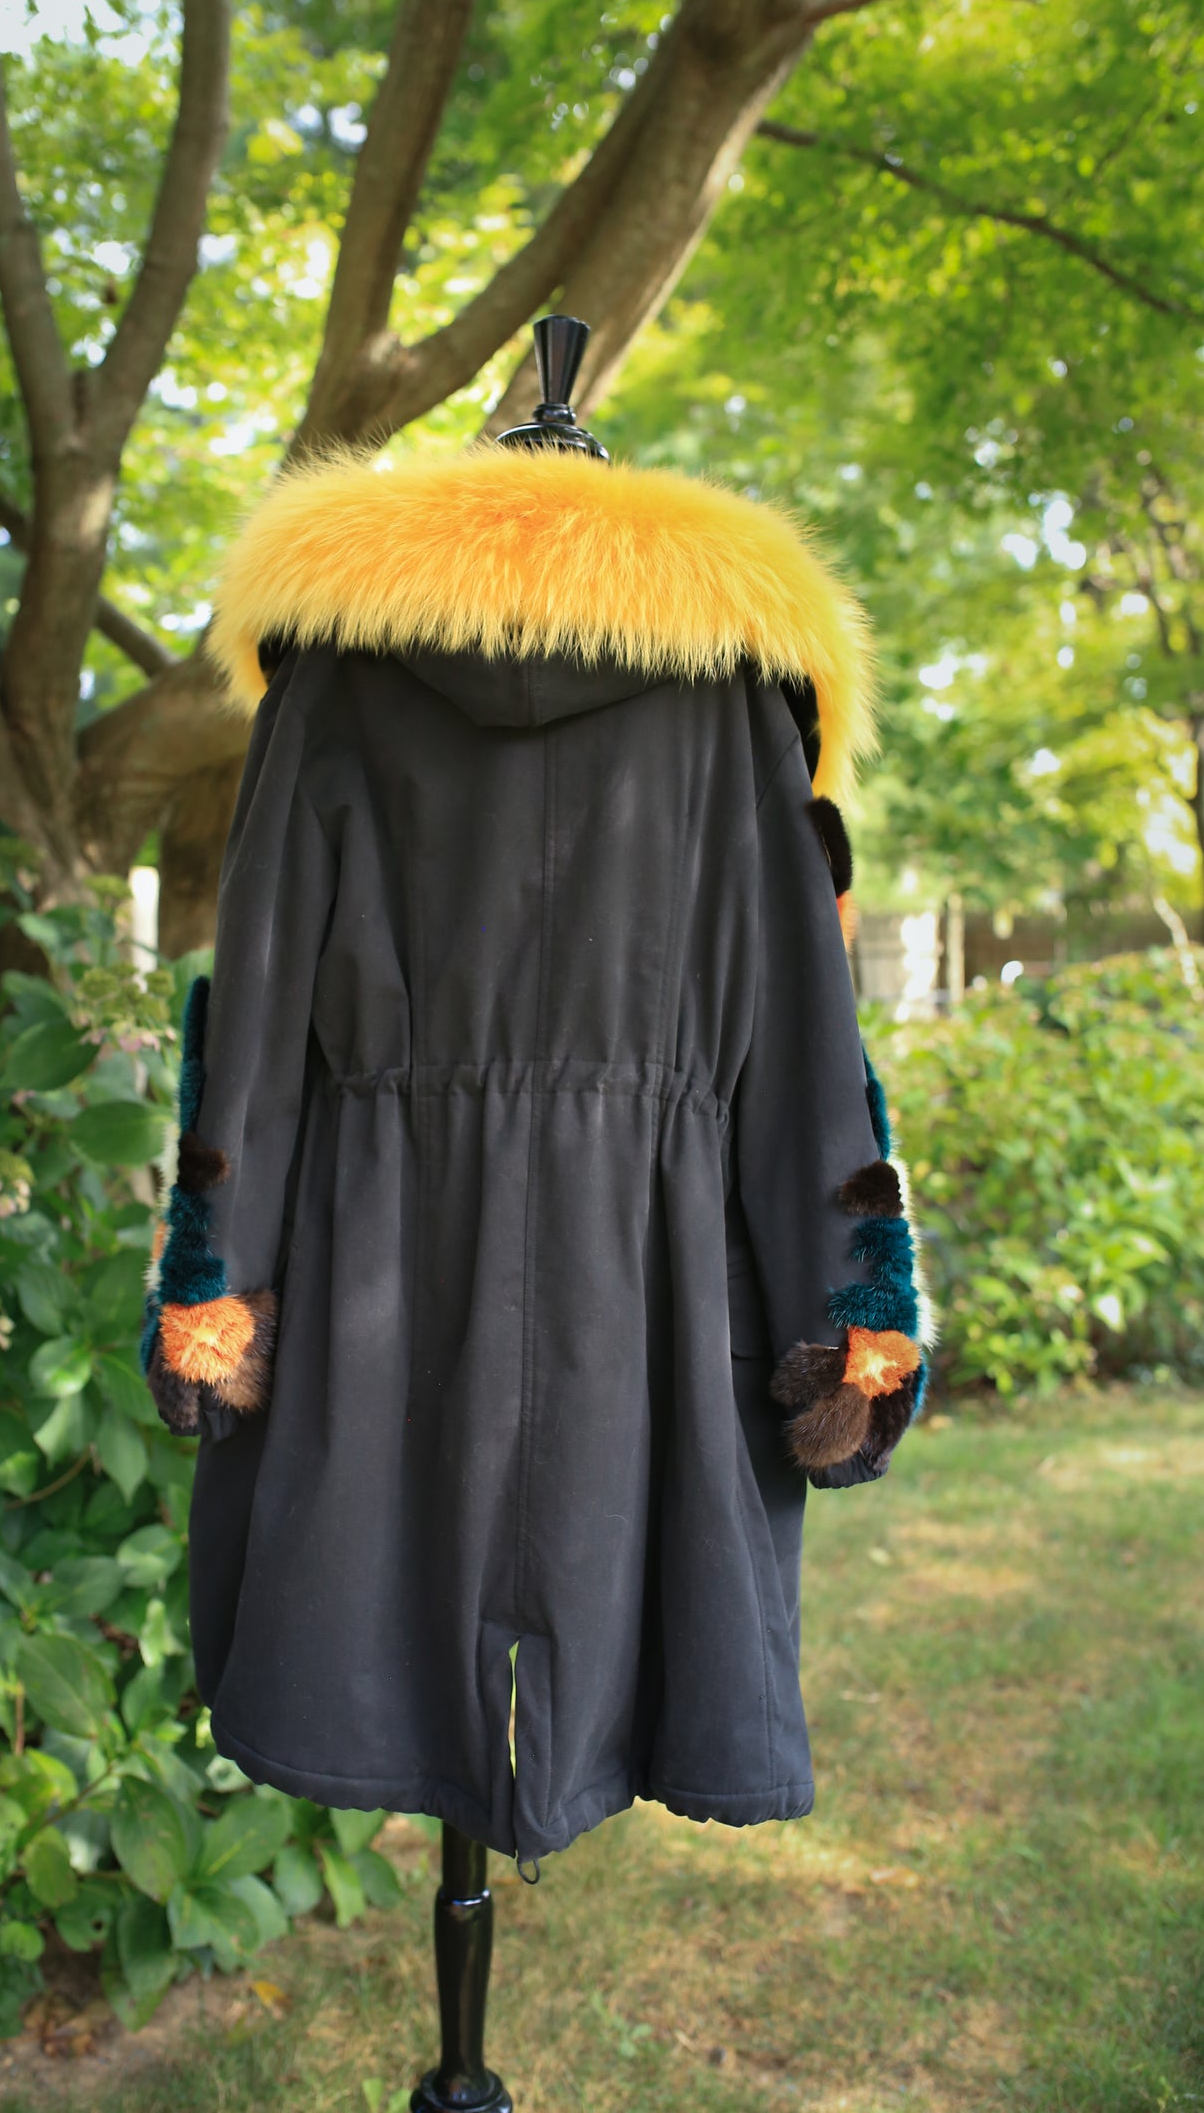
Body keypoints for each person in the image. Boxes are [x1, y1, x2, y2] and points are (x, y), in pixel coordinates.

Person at [141, 438, 931, 1869]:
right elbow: (811, 1050)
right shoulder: (738, 699)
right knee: (635, 1588)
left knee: (366, 1592)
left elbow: (248, 1022)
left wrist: (217, 1283)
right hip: (651, 1270)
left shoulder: (331, 679)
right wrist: (850, 1319)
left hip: (382, 1248)